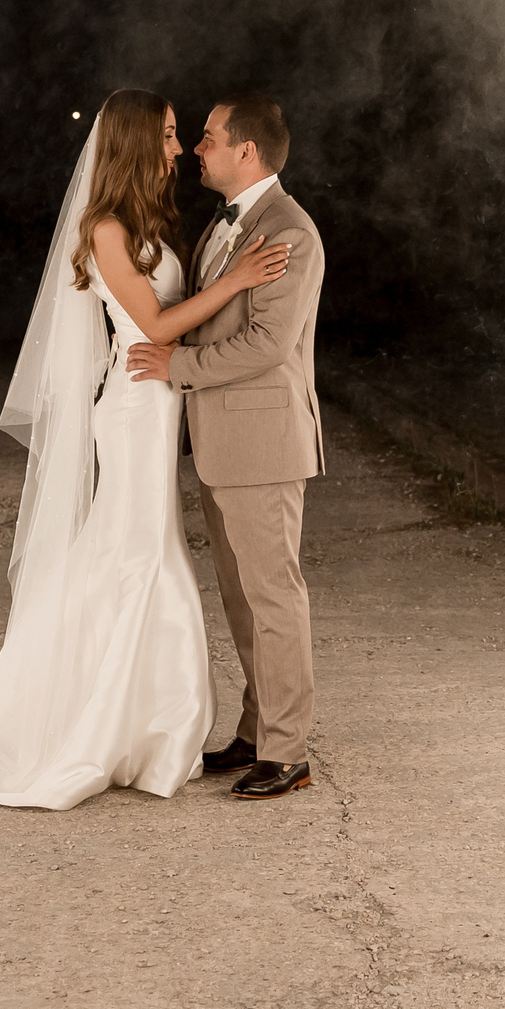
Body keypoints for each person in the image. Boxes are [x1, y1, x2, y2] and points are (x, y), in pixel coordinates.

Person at [0, 90, 290, 809]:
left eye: (184, 135)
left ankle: (140, 725)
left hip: (158, 402)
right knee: (137, 556)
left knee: (141, 551)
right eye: (169, 135)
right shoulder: (106, 227)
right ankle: (111, 729)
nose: (179, 148)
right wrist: (234, 281)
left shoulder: (145, 222)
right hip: (136, 407)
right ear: (136, 144)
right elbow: (156, 325)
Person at [126, 94, 326, 800]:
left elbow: (268, 344)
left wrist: (175, 366)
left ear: (247, 151)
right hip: (223, 439)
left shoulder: (288, 231)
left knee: (273, 593)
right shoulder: (226, 221)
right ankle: (256, 727)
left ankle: (288, 749)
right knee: (243, 597)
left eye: (206, 138)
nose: (195, 150)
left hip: (262, 440)